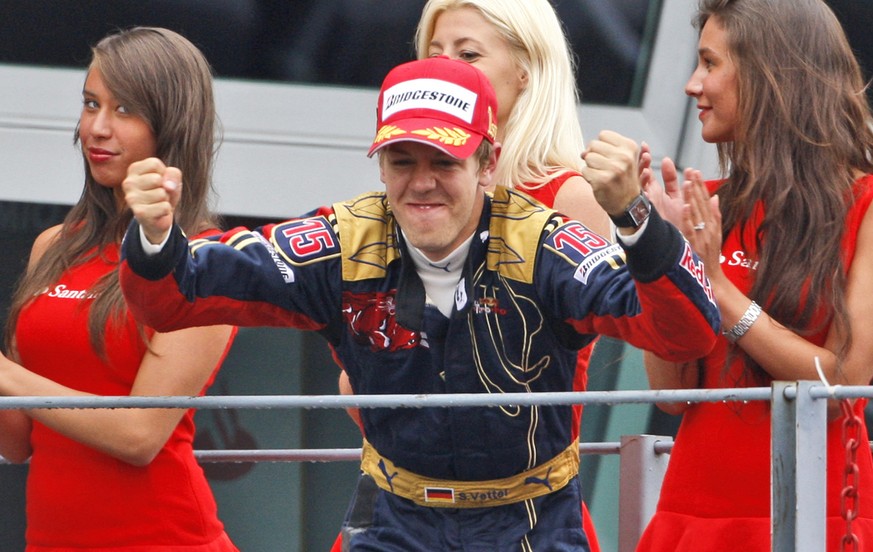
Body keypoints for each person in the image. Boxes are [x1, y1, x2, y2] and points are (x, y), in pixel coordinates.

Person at [118, 55, 719, 551]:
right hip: (392, 521)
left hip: (531, 524)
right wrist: (154, 236)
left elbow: (688, 334)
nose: (422, 181)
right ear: (380, 163)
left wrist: (635, 220)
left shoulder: (544, 246)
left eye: (443, 161)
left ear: (488, 162)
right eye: (403, 161)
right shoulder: (341, 242)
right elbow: (177, 296)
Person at [334, 2, 611, 549]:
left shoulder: (567, 199)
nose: (448, 70)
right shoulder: (411, 197)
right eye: (435, 54)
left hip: (527, 512)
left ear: (527, 70)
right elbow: (353, 377)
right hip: (398, 501)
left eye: (468, 55)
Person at [634, 0, 873, 549]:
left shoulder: (862, 206)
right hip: (693, 512)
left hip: (818, 514)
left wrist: (716, 289)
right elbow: (672, 396)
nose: (693, 85)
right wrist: (657, 259)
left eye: (710, 64)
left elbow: (841, 386)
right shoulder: (709, 207)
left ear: (772, 75)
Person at [0, 27, 239, 551]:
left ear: (169, 125)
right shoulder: (53, 247)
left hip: (165, 538)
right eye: (91, 104)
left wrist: (6, 376)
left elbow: (140, 436)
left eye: (124, 109)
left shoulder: (205, 260)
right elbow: (16, 443)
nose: (97, 128)